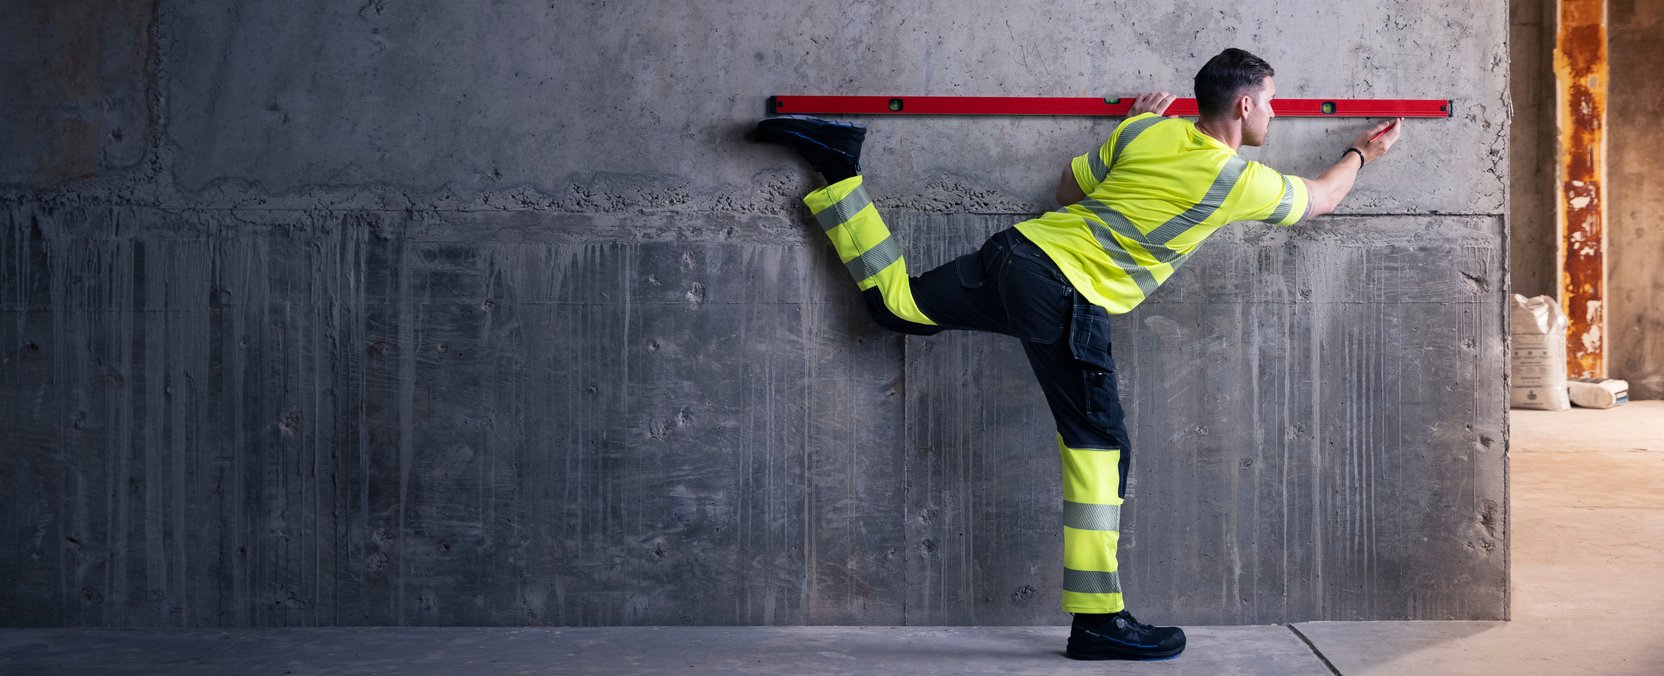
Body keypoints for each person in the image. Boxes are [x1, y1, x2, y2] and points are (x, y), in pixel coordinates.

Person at [749, 47, 1402, 661]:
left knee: (899, 308)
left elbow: (1068, 190)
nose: (1275, 113)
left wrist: (1128, 132)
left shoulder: (1145, 132)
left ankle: (837, 168)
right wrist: (1361, 152)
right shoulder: (1237, 180)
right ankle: (1098, 621)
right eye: (1271, 102)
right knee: (1100, 448)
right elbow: (1322, 198)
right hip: (1065, 290)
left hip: (1018, 255)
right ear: (1244, 105)